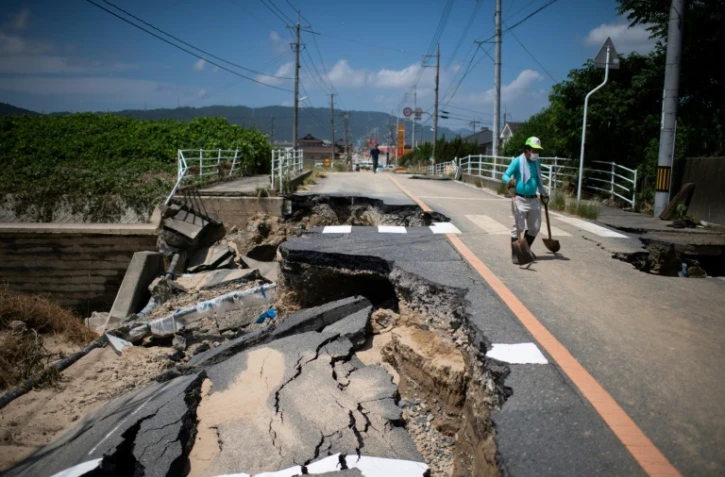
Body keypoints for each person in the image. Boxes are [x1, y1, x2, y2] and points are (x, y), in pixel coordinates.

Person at [501, 136, 549, 264]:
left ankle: (525, 249)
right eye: (534, 150)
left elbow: (538, 180)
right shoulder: (517, 161)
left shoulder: (536, 163)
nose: (536, 153)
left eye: (537, 151)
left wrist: (543, 193)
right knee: (518, 228)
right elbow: (504, 175)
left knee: (535, 227)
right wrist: (509, 180)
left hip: (533, 199)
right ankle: (516, 254)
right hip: (520, 199)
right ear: (526, 150)